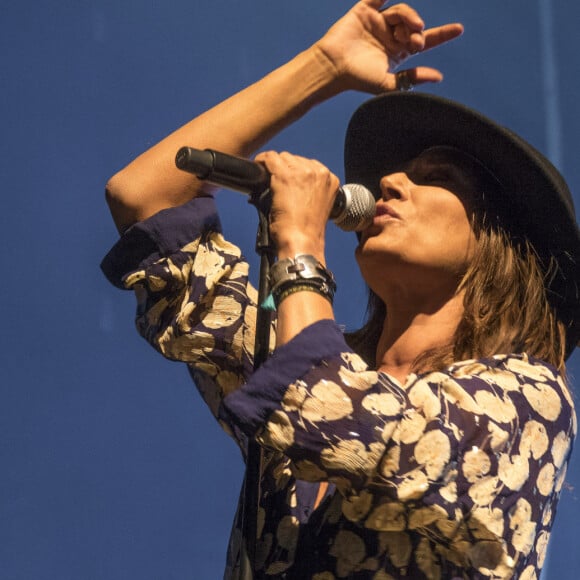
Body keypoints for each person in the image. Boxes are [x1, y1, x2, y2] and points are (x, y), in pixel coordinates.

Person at [101, 1, 579, 578]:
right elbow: (145, 198)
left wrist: (300, 242)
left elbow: (329, 414)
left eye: (437, 178)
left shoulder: (530, 396)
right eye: (395, 174)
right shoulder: (305, 359)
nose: (391, 181)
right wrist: (324, 67)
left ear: (498, 243)